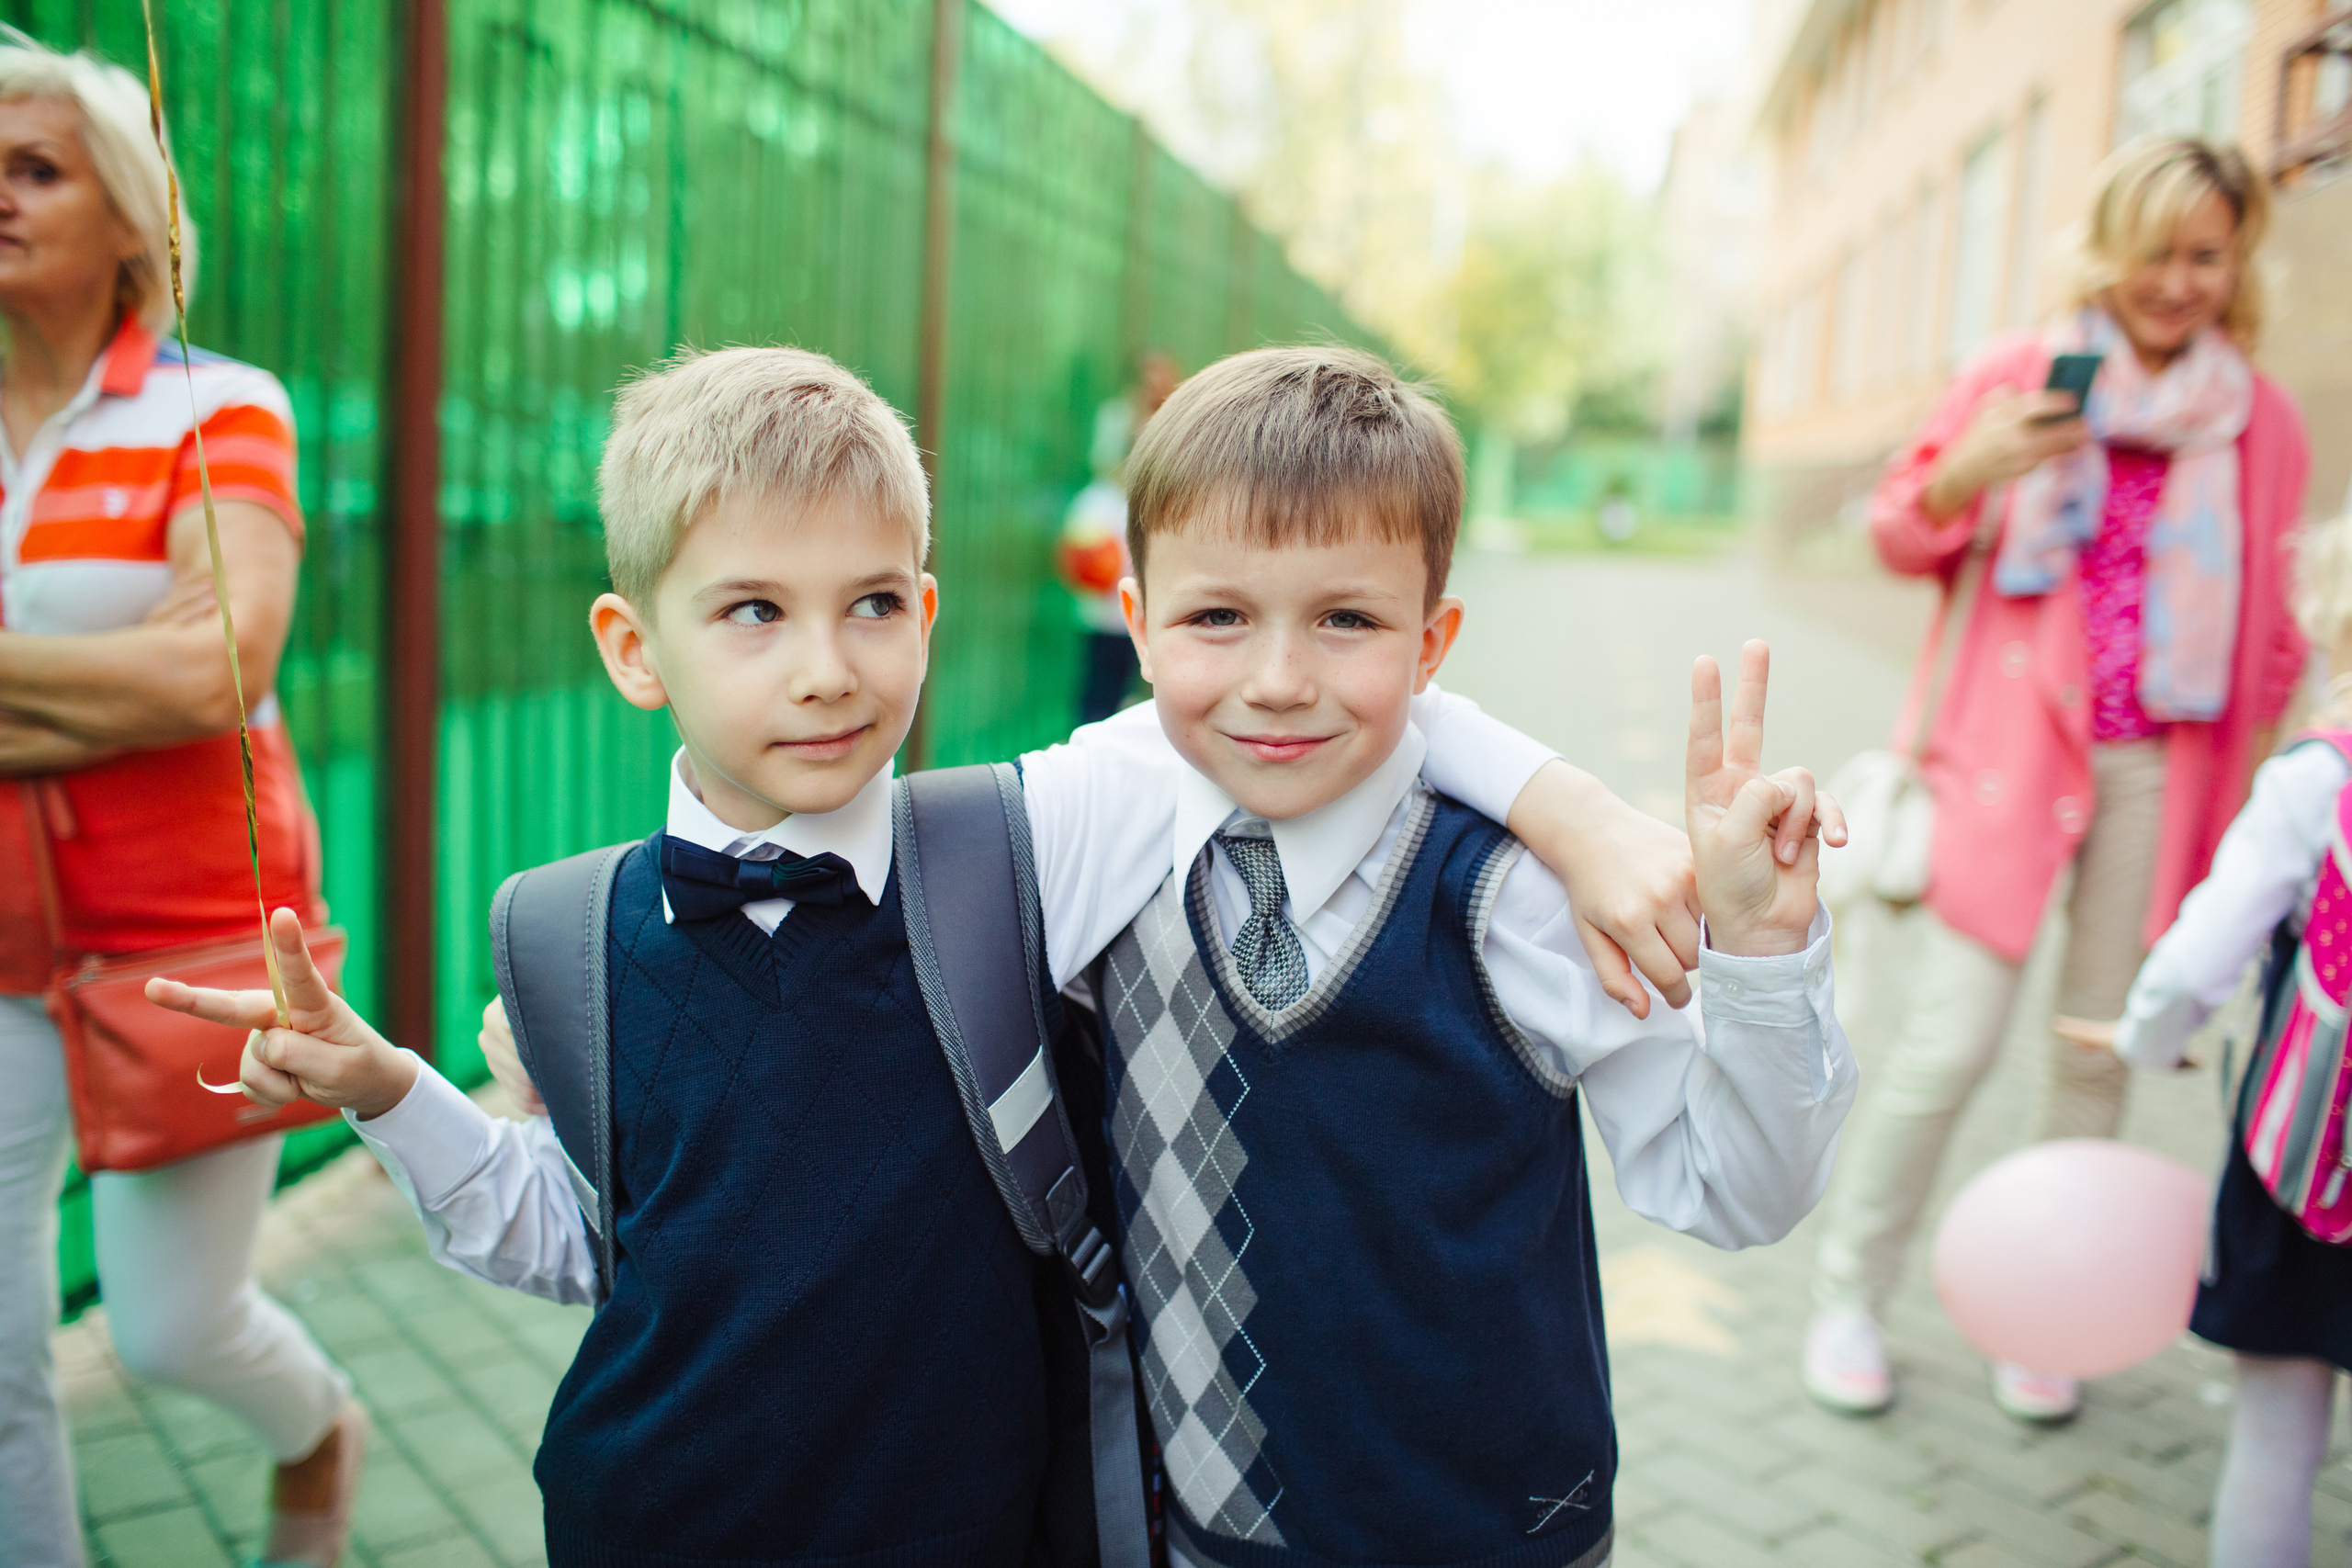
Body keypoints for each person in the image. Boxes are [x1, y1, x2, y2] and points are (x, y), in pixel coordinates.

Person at [149, 344, 1705, 1566]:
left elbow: (1316, 682)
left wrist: (1565, 808)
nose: (827, 668)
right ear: (636, 646)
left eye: (874, 604)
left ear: (928, 612)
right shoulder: (563, 934)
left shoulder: (1018, 851)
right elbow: (579, 1244)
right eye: (752, 611)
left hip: (980, 1528)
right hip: (651, 1523)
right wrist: (392, 1092)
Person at [1093, 344, 1855, 1568]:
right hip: (1206, 1531)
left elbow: (1735, 1189)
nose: (1278, 680)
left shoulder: (1526, 899)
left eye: (1347, 618)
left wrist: (1762, 950)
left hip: (1496, 1530)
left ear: (1433, 639)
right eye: (1218, 615)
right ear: (1139, 623)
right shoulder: (1096, 841)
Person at [1803, 136, 2312, 1424]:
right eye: (2158, 251)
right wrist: (1978, 462)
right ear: (2108, 247)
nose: (2180, 282)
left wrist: (2250, 816)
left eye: (2209, 256)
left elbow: (2270, 642)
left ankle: (2044, 1311)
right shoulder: (2015, 374)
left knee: (2094, 1061)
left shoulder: (2260, 418)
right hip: (2005, 762)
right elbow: (1900, 530)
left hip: (2158, 772)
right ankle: (1848, 1291)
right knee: (1949, 1045)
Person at [0, 40, 364, 1568]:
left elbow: (217, 667)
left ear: (133, 215)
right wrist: (90, 681)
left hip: (195, 927)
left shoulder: (220, 404)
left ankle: (321, 1426)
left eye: (34, 169)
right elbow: (137, 671)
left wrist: (120, 682)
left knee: (164, 1328)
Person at [2050, 513, 2352, 1568]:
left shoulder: (2319, 781)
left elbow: (2194, 960)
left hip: (2313, 1161)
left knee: (2276, 1429)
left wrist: (2141, 1038)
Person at [1062, 352, 1180, 722]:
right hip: (1106, 599)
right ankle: (1093, 725)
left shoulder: (1178, 418)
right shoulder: (1101, 499)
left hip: (1145, 590)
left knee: (1136, 672)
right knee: (1100, 674)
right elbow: (1104, 466)